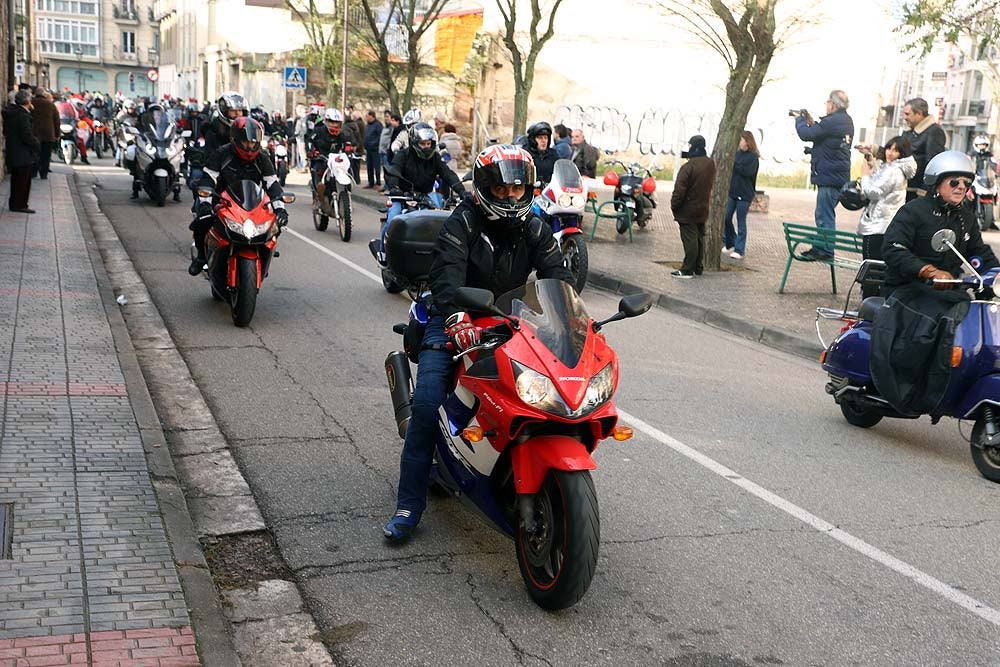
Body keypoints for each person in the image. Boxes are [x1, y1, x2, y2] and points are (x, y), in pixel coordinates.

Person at [382, 144, 573, 542]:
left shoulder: (535, 226)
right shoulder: (462, 223)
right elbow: (446, 280)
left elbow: (558, 277)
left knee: (540, 395)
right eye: (501, 190)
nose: (510, 197)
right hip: (452, 317)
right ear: (485, 188)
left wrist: (572, 320)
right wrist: (456, 318)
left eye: (517, 190)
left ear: (529, 190)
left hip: (508, 318)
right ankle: (408, 505)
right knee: (427, 402)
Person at [883, 150, 997, 290]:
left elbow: (978, 252)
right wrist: (928, 271)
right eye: (954, 182)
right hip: (908, 289)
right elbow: (893, 248)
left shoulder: (967, 217)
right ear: (937, 183)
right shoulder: (913, 211)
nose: (961, 187)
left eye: (966, 182)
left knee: (976, 310)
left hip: (949, 290)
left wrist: (995, 272)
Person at [189, 116, 287, 275]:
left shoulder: (263, 158)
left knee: (276, 225)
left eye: (253, 142)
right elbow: (208, 179)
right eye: (245, 142)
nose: (250, 146)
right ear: (235, 139)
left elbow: (272, 185)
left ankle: (264, 254)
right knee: (202, 222)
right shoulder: (221, 154)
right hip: (221, 202)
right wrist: (206, 204)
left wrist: (280, 209)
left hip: (252, 204)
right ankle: (201, 257)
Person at [375, 122, 465, 261]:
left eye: (429, 143)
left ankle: (440, 256)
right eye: (423, 144)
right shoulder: (403, 155)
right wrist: (394, 187)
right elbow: (394, 171)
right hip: (402, 195)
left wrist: (462, 191)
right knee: (391, 222)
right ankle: (383, 254)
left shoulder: (435, 158)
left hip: (426, 195)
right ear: (414, 142)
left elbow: (448, 174)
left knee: (442, 221)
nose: (427, 147)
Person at [793, 89, 854, 260]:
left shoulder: (832, 121)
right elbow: (828, 142)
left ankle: (825, 251)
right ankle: (819, 248)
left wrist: (800, 120)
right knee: (823, 214)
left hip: (829, 178)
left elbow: (807, 134)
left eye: (827, 102)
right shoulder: (845, 120)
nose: (826, 105)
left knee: (824, 215)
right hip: (837, 176)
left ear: (833, 105)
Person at [854, 136, 916, 297]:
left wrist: (865, 175)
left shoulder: (894, 170)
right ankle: (874, 302)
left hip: (878, 224)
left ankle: (869, 304)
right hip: (884, 223)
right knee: (878, 268)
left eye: (896, 150)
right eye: (889, 148)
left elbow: (874, 192)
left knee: (871, 268)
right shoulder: (893, 168)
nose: (890, 153)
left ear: (902, 153)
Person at [670, 135, 716, 278]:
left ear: (694, 147)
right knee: (698, 239)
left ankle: (687, 269)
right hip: (702, 208)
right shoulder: (710, 164)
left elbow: (680, 190)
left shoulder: (688, 167)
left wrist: (674, 205)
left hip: (687, 209)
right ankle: (698, 266)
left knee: (690, 240)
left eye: (690, 146)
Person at [722, 130, 760, 260]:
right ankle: (730, 242)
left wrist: (735, 164)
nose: (739, 143)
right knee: (726, 217)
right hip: (733, 191)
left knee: (741, 221)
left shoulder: (753, 157)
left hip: (744, 194)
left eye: (741, 140)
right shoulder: (737, 154)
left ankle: (740, 249)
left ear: (747, 142)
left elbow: (748, 172)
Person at [901, 97, 947, 202]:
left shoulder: (934, 132)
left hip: (915, 193)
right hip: (902, 190)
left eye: (907, 114)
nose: (904, 117)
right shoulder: (907, 132)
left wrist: (924, 191)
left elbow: (933, 164)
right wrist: (875, 150)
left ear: (919, 114)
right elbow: (896, 152)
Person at [3, 90, 40, 213]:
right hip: (22, 153)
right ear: (27, 101)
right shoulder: (22, 115)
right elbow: (26, 134)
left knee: (17, 180)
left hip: (15, 150)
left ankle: (15, 203)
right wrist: (36, 142)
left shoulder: (14, 112)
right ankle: (19, 204)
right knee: (22, 181)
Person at [307, 108, 351, 206]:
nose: (334, 125)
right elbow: (310, 141)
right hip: (321, 158)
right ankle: (319, 197)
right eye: (331, 122)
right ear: (326, 121)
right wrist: (311, 151)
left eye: (337, 122)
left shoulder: (341, 134)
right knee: (318, 171)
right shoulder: (318, 130)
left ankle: (346, 196)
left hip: (335, 160)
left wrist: (349, 152)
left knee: (348, 170)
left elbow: (347, 144)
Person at [31, 87, 59, 180]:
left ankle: (33, 172)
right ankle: (44, 174)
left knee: (34, 153)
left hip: (34, 133)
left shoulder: (31, 103)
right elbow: (56, 120)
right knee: (46, 155)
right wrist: (57, 134)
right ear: (43, 94)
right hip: (48, 133)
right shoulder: (50, 105)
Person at [362, 109, 383, 189]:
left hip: (375, 149)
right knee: (369, 166)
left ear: (372, 116)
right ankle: (370, 182)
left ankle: (378, 182)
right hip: (368, 149)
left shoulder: (378, 125)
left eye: (367, 116)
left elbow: (380, 136)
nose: (366, 118)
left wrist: (374, 144)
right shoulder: (368, 125)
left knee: (376, 166)